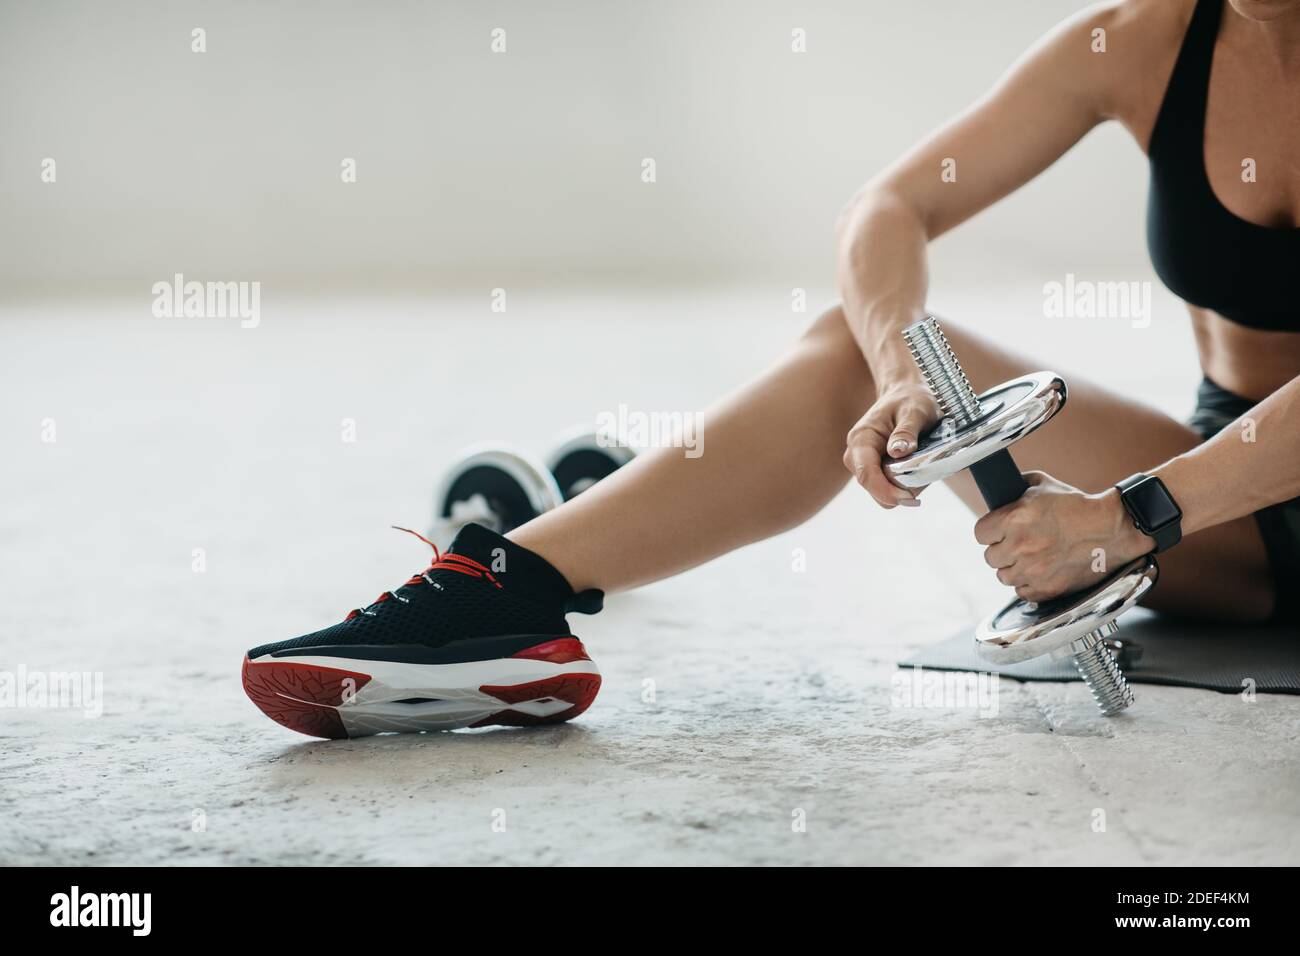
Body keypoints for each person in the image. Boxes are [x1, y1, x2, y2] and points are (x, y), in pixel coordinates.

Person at [244, 0, 1300, 738]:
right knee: (848, 345)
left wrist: (1126, 516)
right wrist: (899, 367)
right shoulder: (1150, 39)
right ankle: (507, 597)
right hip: (1232, 494)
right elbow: (890, 205)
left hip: (1221, 506)